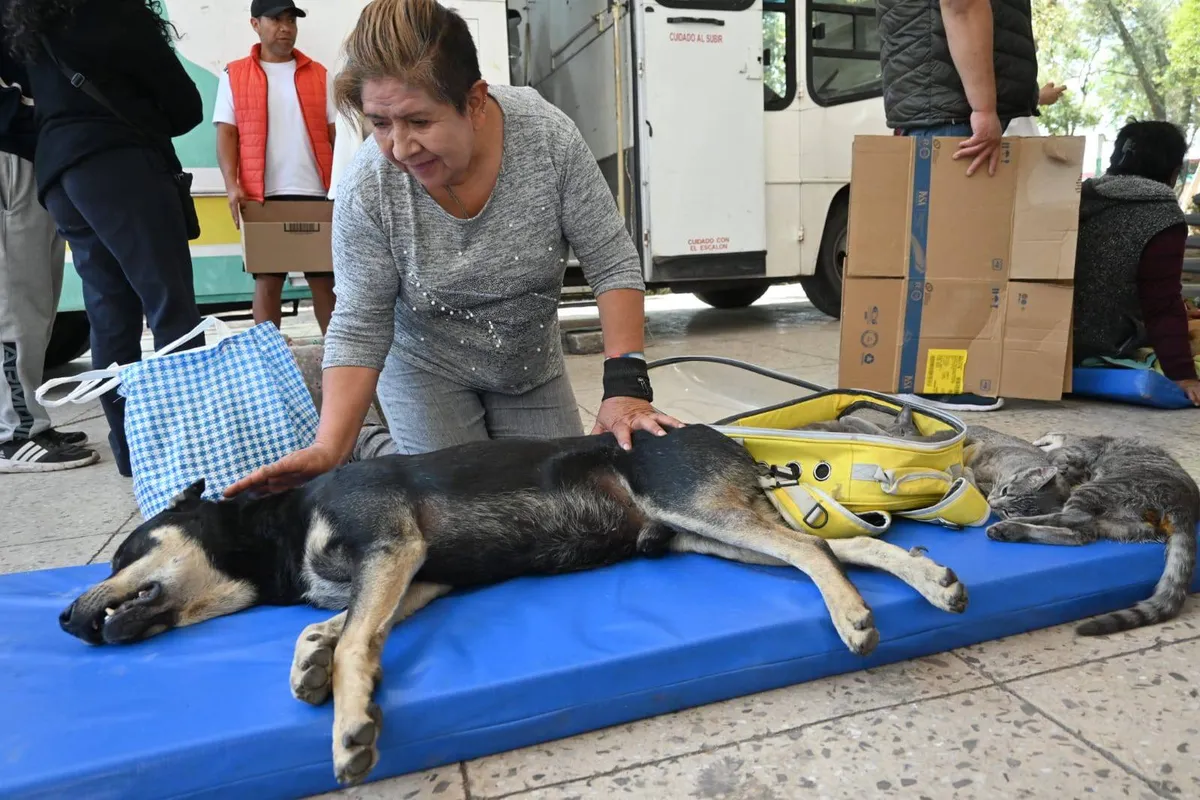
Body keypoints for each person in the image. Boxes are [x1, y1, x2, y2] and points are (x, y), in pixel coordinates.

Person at [226, 0, 682, 498]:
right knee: (462, 503)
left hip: (527, 361)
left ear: (476, 100)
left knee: (563, 499)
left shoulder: (548, 138)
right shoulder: (368, 187)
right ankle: (371, 442)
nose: (400, 147)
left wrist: (626, 389)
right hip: (424, 365)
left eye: (419, 122)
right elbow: (360, 321)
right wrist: (330, 447)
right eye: (380, 124)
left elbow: (611, 261)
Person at [4, 0, 206, 477]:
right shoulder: (115, 10)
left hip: (60, 178)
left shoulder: (32, 20)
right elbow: (184, 105)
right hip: (120, 164)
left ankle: (132, 447)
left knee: (110, 313)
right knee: (170, 307)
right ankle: (193, 444)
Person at [876, 0, 1040, 412]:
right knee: (962, 262)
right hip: (956, 110)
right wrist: (984, 108)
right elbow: (962, 4)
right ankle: (939, 383)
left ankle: (921, 376)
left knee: (935, 257)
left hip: (936, 103)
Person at [0, 8, 98, 472]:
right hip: (10, 155)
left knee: (36, 300)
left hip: (31, 156)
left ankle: (27, 421)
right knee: (15, 301)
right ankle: (14, 432)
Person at [214, 0, 338, 335]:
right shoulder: (235, 74)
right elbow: (227, 132)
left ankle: (338, 362)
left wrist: (342, 186)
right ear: (255, 24)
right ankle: (270, 363)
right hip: (262, 193)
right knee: (268, 281)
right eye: (276, 20)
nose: (286, 28)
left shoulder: (319, 74)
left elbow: (334, 134)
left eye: (291, 21)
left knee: (325, 280)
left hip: (317, 191)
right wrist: (231, 184)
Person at [1071, 120, 1200, 407]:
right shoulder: (1162, 215)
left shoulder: (1078, 196)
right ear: (1174, 173)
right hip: (1110, 344)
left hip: (1054, 337)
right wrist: (1183, 375)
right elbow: (1161, 303)